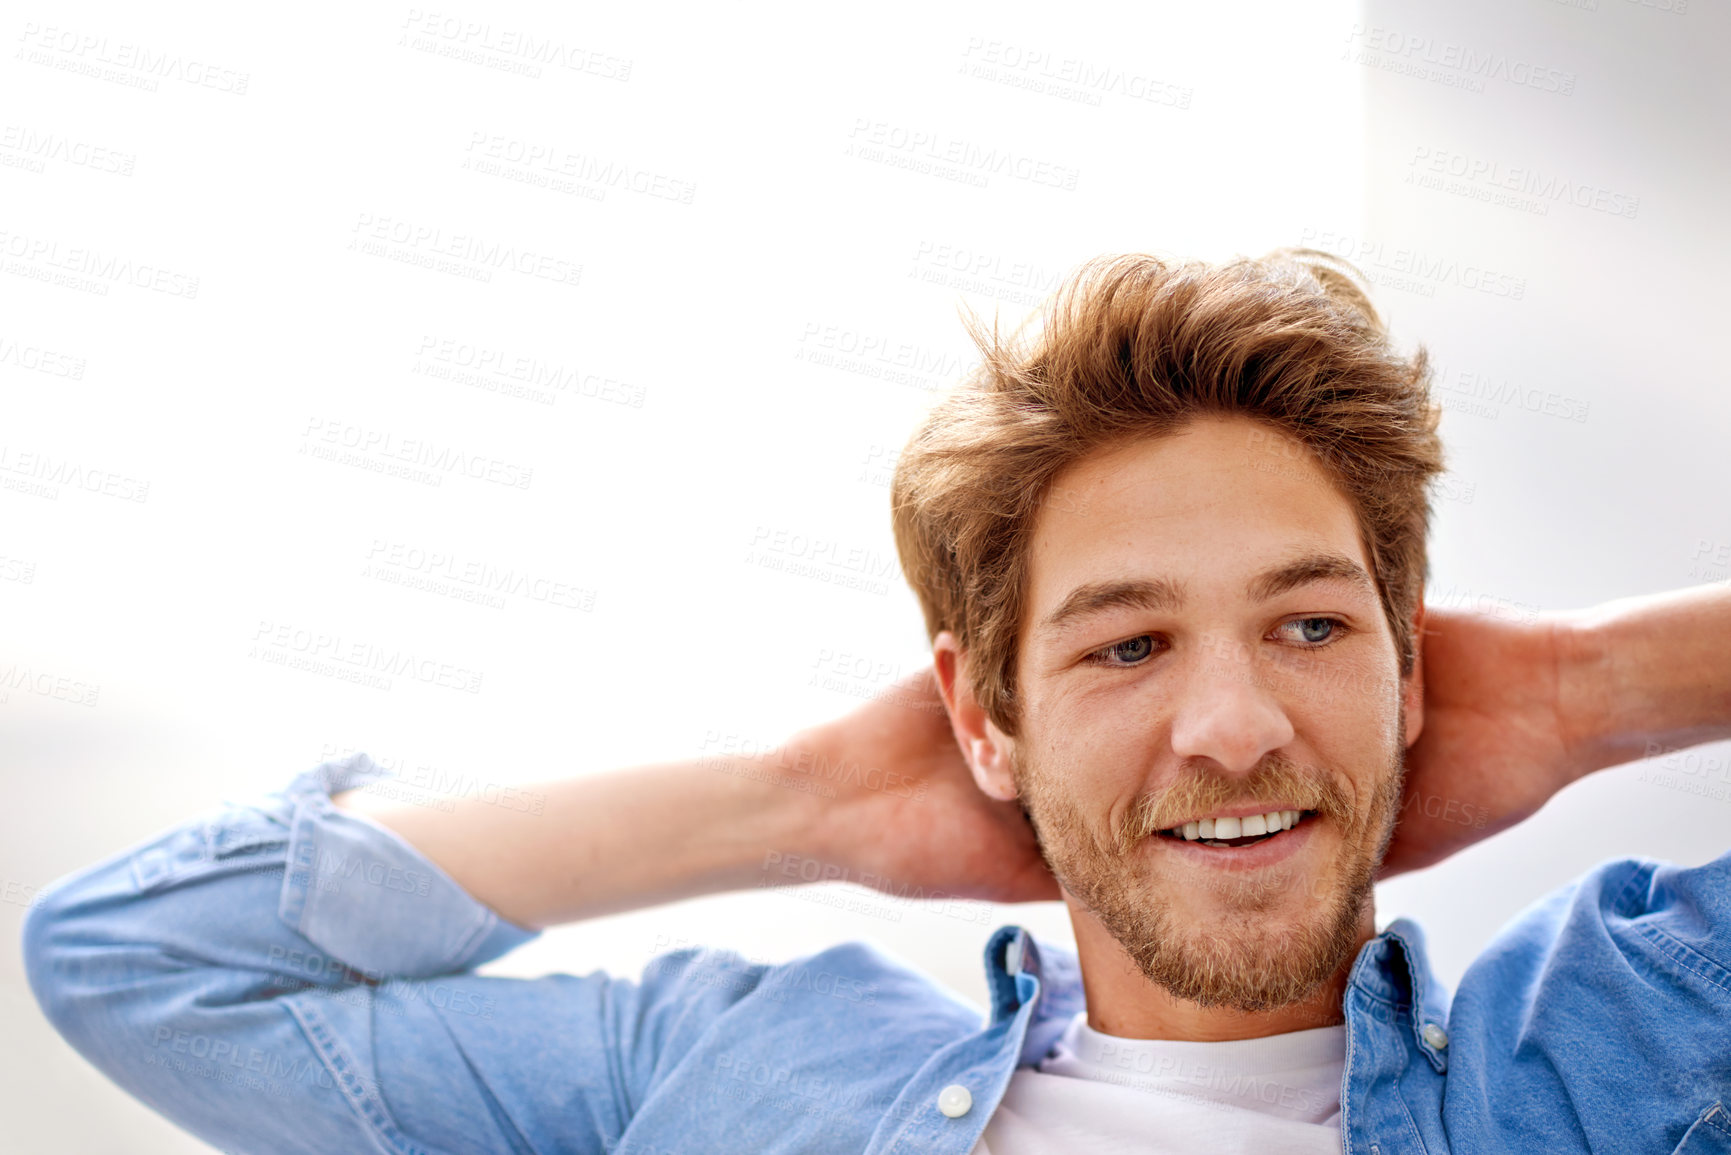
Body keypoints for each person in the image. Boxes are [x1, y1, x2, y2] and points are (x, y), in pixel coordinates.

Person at [22, 250, 1731, 1155]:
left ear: (1408, 665)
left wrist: (1592, 691)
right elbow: (143, 964)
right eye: (1125, 646)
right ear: (982, 716)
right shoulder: (747, 1074)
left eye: (1306, 626)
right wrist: (800, 803)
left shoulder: (1634, 1039)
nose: (1232, 726)